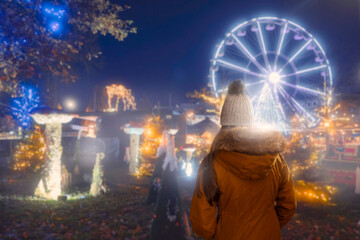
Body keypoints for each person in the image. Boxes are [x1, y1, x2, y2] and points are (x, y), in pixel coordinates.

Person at [190, 80, 296, 240]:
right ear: (250, 122)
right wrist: (268, 225)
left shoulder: (212, 163)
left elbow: (202, 219)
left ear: (224, 123)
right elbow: (289, 205)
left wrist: (218, 233)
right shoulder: (277, 160)